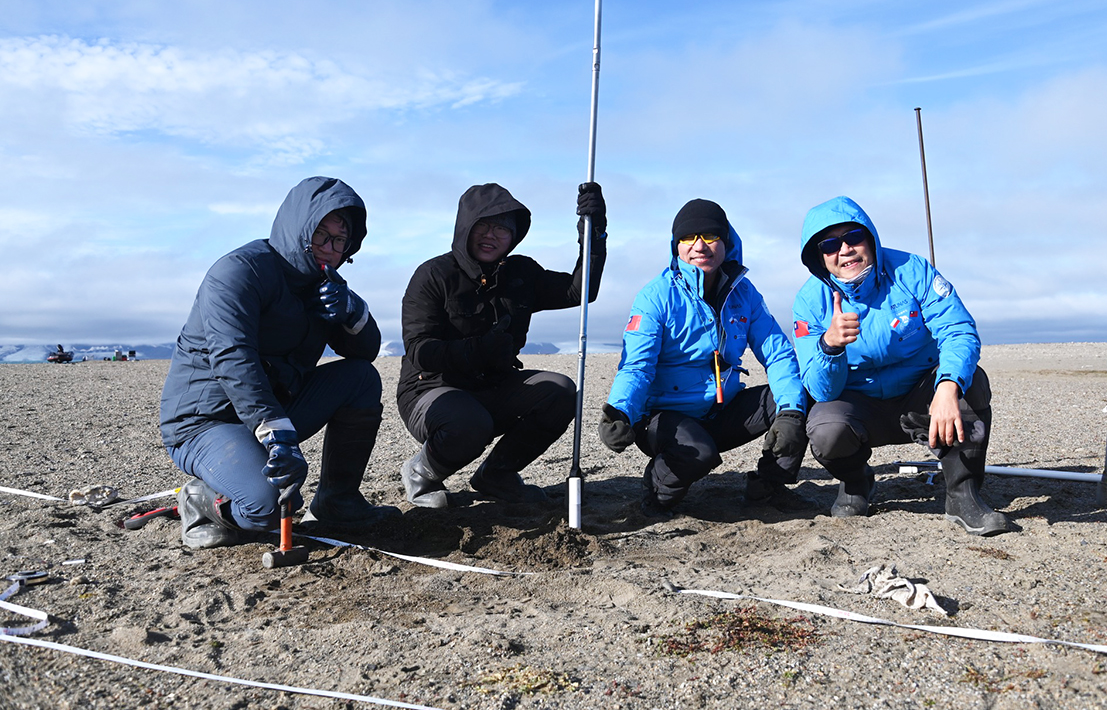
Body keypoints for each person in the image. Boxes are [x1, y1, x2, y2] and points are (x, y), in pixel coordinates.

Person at [160, 176, 397, 549]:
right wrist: (277, 434)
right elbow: (232, 357)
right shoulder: (239, 272)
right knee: (265, 508)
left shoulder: (324, 285)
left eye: (340, 240)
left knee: (360, 378)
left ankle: (339, 500)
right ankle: (200, 500)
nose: (330, 248)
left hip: (276, 408)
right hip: (206, 420)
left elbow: (364, 352)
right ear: (298, 229)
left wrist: (352, 311)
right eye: (321, 235)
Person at [792, 195, 1008, 536]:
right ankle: (856, 482)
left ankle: (962, 494)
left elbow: (957, 329)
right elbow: (822, 390)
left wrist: (948, 387)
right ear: (819, 258)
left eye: (853, 238)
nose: (844, 250)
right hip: (860, 404)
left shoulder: (912, 270)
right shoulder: (808, 301)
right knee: (825, 429)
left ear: (871, 239)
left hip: (920, 395)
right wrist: (829, 346)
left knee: (972, 385)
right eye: (830, 244)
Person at [397, 182, 607, 507]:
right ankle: (422, 473)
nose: (491, 235)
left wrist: (594, 234)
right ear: (465, 226)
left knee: (560, 391)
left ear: (514, 236)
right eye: (483, 225)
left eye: (502, 229)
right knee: (470, 423)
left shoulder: (521, 273)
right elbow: (420, 351)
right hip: (432, 392)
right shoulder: (434, 275)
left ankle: (497, 475)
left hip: (493, 386)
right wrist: (478, 349)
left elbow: (580, 291)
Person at [598, 199, 809, 518]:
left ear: (726, 241)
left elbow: (777, 353)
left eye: (710, 236)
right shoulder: (655, 296)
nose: (699, 245)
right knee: (697, 452)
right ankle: (655, 492)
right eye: (688, 237)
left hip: (721, 410)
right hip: (662, 416)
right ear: (676, 245)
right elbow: (637, 365)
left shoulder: (744, 293)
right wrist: (620, 411)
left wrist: (791, 413)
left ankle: (769, 485)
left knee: (801, 396)